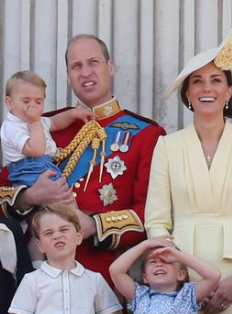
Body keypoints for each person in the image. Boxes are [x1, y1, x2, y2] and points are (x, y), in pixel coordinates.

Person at [0, 34, 166, 295]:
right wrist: (28, 197)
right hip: (36, 277)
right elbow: (3, 190)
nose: (85, 72)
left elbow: (151, 216)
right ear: (68, 75)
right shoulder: (42, 126)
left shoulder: (146, 134)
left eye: (93, 62)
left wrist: (93, 226)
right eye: (76, 66)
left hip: (99, 277)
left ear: (110, 67)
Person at [145, 24, 232, 314]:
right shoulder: (167, 146)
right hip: (181, 278)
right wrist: (176, 277)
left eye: (216, 80)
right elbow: (156, 221)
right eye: (198, 81)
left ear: (228, 91)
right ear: (187, 93)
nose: (207, 88)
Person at [8, 204, 122, 314]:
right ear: (40, 245)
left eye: (63, 229)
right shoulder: (31, 281)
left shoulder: (95, 280)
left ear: (78, 237)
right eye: (48, 233)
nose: (57, 235)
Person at [2, 70, 94, 186]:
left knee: (63, 195)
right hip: (27, 169)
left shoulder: (36, 120)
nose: (33, 106)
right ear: (9, 103)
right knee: (58, 196)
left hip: (43, 165)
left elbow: (55, 122)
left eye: (38, 102)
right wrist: (34, 122)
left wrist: (73, 114)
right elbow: (36, 150)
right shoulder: (11, 127)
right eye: (26, 101)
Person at [109, 237, 221, 314]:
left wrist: (178, 256)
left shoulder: (188, 295)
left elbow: (213, 276)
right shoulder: (139, 295)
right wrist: (144, 245)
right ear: (145, 277)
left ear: (180, 275)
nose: (159, 265)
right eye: (153, 262)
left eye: (167, 262)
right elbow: (115, 270)